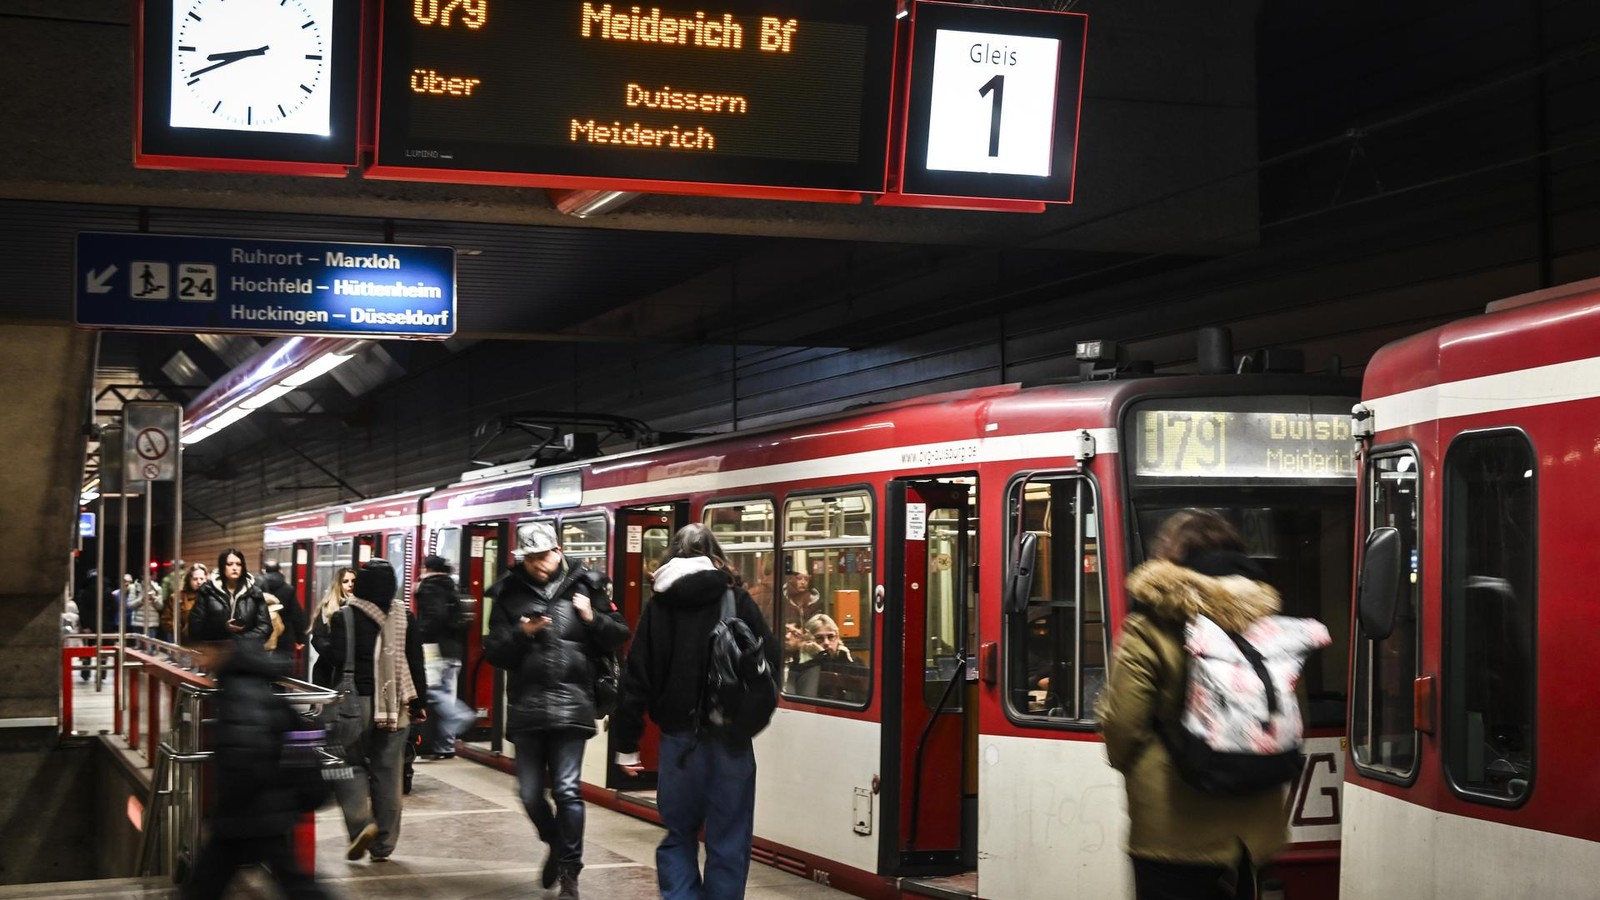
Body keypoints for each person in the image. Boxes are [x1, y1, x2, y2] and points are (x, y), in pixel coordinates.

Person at [1097, 509, 1289, 900]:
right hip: (1252, 831)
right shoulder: (1271, 627)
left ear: (1170, 558)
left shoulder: (1149, 627)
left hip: (1172, 831)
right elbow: (1286, 714)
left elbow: (1123, 728)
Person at [613, 523, 780, 900]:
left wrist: (627, 744)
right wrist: (750, 722)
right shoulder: (736, 599)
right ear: (715, 553)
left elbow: (636, 677)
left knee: (679, 834)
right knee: (730, 837)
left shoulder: (659, 606)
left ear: (670, 556)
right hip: (731, 740)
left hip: (679, 741)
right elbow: (769, 663)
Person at [483, 522, 628, 900]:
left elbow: (620, 634)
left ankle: (570, 872)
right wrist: (522, 634)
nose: (538, 564)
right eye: (530, 558)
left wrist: (592, 618)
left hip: (572, 704)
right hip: (527, 707)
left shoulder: (589, 587)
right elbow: (494, 651)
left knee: (566, 789)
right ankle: (555, 841)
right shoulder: (508, 594)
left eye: (544, 555)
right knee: (530, 793)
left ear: (559, 551)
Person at [182, 606, 330, 900]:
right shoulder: (243, 679)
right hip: (260, 811)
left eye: (199, 651)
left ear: (218, 648)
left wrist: (224, 812)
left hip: (248, 813)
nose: (196, 659)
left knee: (204, 888)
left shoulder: (237, 688)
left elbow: (246, 750)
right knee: (296, 884)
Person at [313, 558, 427, 864]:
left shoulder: (345, 616)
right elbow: (415, 662)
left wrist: (321, 642)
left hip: (355, 704)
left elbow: (335, 657)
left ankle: (363, 824)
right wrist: (419, 703)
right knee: (388, 773)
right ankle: (384, 846)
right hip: (395, 705)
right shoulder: (405, 616)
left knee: (347, 765)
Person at [415, 554, 471, 759]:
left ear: (427, 568)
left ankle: (460, 714)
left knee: (433, 692)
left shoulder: (430, 587)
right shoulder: (451, 586)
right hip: (453, 650)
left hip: (434, 649)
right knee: (447, 693)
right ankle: (446, 746)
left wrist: (418, 637)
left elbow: (433, 618)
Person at [190, 549, 272, 643]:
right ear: (222, 566)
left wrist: (240, 639)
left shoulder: (254, 592)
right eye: (229, 564)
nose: (234, 568)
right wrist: (223, 629)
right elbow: (195, 627)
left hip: (247, 652)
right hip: (215, 651)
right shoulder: (208, 591)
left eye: (238, 564)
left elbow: (265, 627)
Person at [784, 613, 857, 699]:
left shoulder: (849, 660)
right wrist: (820, 657)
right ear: (809, 641)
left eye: (831, 637)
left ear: (837, 638)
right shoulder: (799, 666)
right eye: (819, 638)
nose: (826, 643)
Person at [310, 567, 356, 685]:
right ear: (338, 584)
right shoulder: (327, 608)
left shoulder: (361, 607)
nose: (350, 585)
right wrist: (334, 656)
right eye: (345, 581)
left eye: (353, 581)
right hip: (327, 671)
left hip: (353, 671)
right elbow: (317, 638)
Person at [259, 560, 308, 671]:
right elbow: (297, 615)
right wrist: (300, 639)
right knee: (281, 676)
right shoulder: (288, 589)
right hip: (284, 639)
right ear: (280, 571)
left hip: (262, 638)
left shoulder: (256, 588)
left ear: (264, 571)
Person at [177, 563, 209, 646]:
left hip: (208, 644)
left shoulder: (213, 597)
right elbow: (168, 620)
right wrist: (183, 632)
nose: (199, 582)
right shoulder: (179, 597)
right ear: (189, 580)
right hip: (186, 643)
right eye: (195, 579)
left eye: (202, 579)